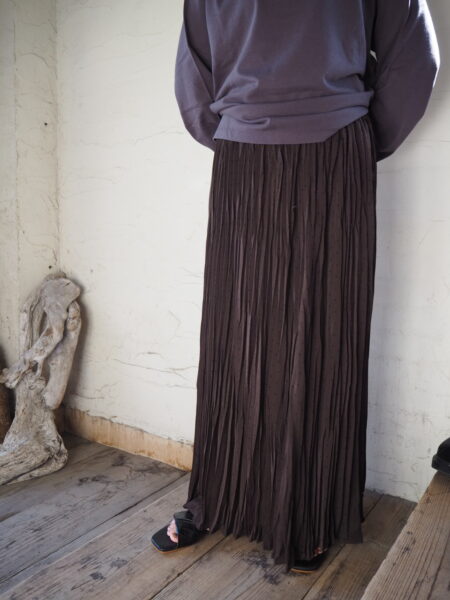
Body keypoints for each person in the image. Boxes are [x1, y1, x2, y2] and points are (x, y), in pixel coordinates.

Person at [151, 0, 440, 575]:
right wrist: (240, 130)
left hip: (333, 155)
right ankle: (216, 499)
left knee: (322, 332)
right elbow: (195, 68)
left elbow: (413, 55)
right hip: (245, 156)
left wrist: (356, 141)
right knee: (236, 336)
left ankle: (310, 513)